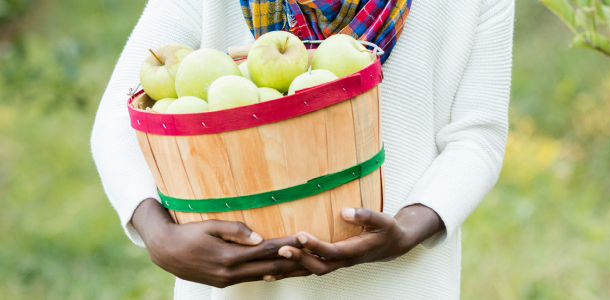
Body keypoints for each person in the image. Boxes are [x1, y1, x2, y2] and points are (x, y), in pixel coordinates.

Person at [91, 0, 515, 299]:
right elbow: (117, 117)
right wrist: (157, 233)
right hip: (241, 289)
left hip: (397, 285)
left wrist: (410, 227)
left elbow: (478, 135)